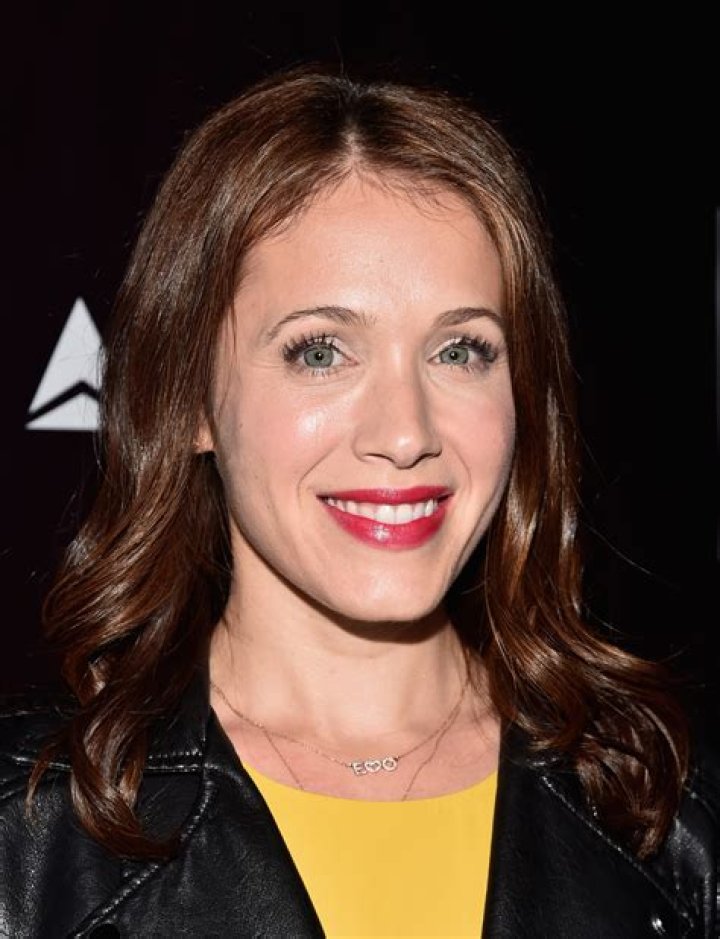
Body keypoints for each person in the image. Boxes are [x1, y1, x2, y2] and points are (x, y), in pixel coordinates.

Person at [1, 63, 717, 938]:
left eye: (460, 351)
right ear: (189, 400)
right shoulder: (29, 840)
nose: (405, 432)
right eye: (321, 351)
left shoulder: (664, 813)